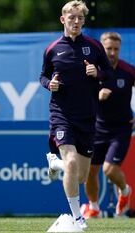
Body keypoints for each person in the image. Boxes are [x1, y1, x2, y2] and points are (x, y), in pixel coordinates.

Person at [40, 0, 113, 230]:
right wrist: (48, 84)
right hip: (61, 114)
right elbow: (42, 76)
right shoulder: (52, 49)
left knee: (80, 176)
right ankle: (77, 217)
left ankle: (54, 163)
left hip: (87, 117)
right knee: (70, 162)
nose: (76, 22)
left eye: (80, 18)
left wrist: (97, 72)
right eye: (72, 17)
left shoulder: (93, 46)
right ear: (63, 19)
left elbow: (110, 75)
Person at [80, 32, 135, 219]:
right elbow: (81, 97)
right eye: (108, 48)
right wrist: (97, 95)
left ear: (120, 50)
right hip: (96, 128)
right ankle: (93, 207)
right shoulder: (92, 71)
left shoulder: (128, 71)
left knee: (109, 169)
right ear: (101, 48)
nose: (112, 52)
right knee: (90, 171)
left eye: (116, 49)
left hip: (121, 129)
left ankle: (125, 191)